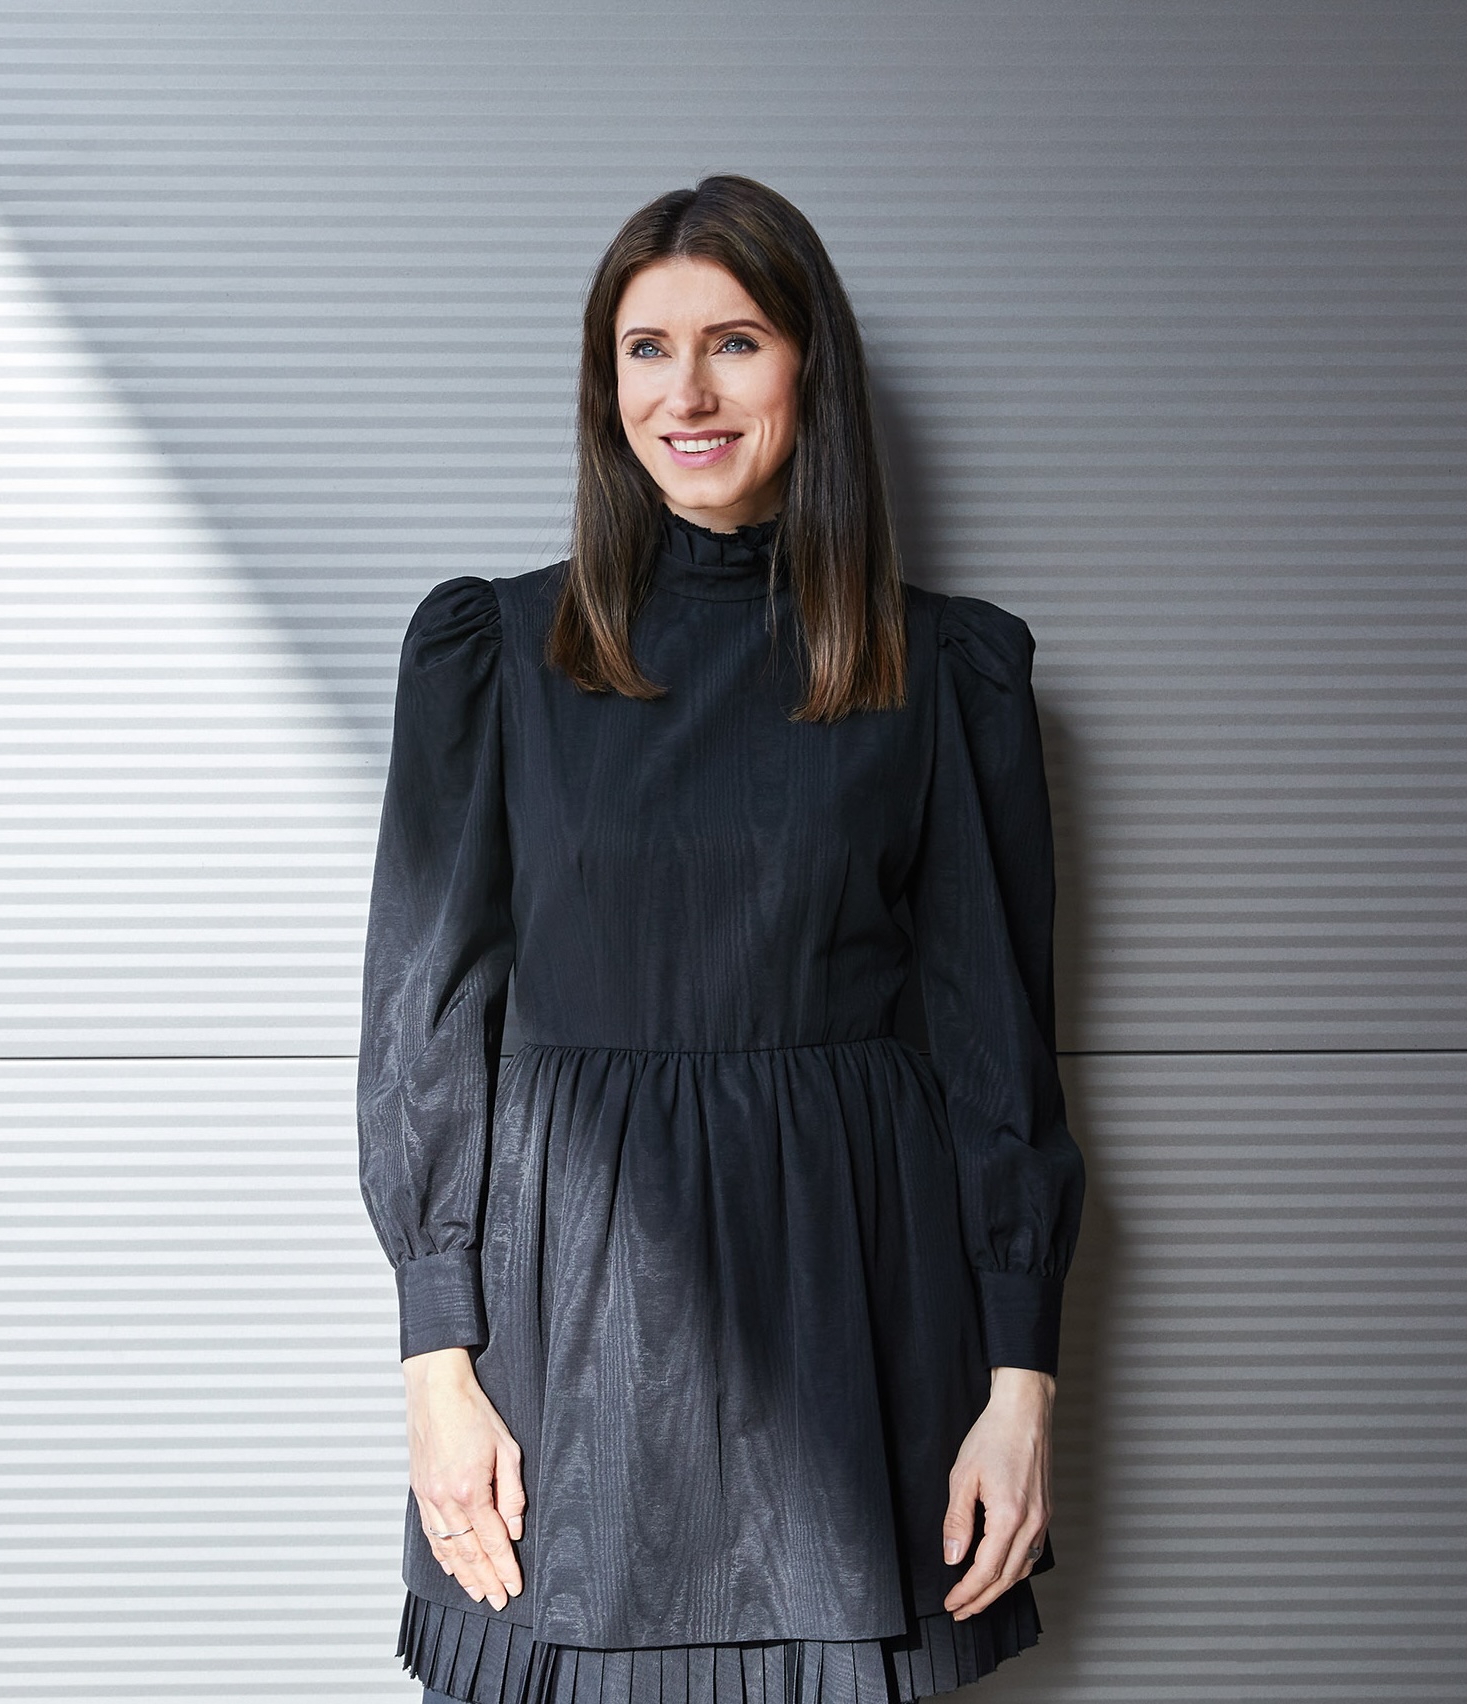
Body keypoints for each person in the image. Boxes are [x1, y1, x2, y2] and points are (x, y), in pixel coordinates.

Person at [356, 173, 1087, 1704]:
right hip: (562, 1345)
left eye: (735, 343)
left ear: (812, 369)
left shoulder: (940, 674)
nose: (685, 393)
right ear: (604, 382)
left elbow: (996, 1045)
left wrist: (1022, 1380)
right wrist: (436, 1369)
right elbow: (427, 1032)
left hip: (852, 1331)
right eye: (647, 348)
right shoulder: (494, 658)